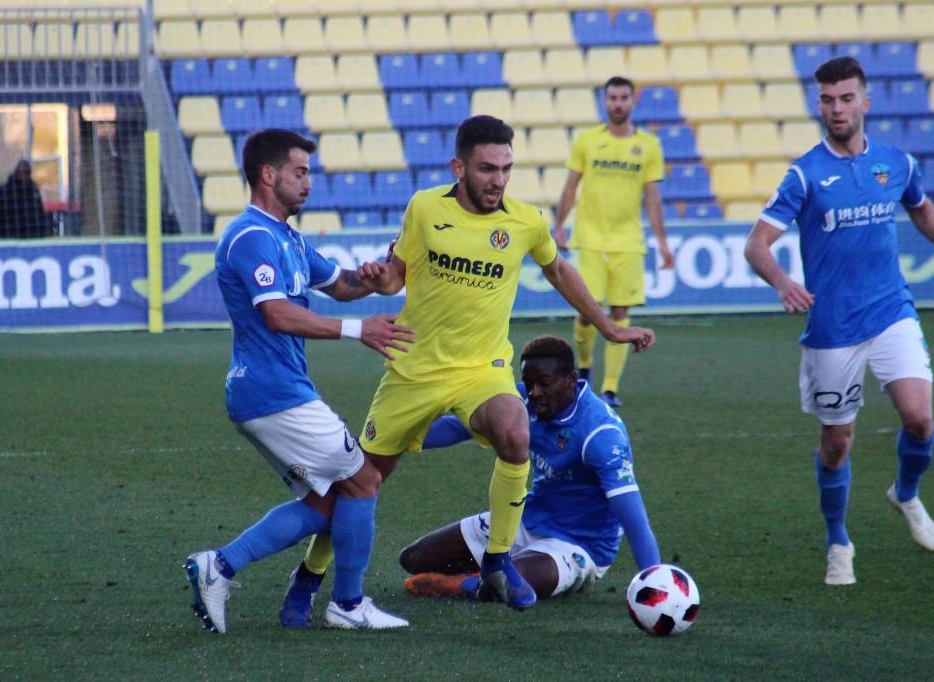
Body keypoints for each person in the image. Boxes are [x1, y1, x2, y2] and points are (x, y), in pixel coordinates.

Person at [279, 115, 655, 623]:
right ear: (459, 168)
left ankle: (498, 559)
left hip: (483, 368)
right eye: (486, 169)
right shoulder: (425, 208)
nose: (498, 180)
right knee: (360, 481)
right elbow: (395, 278)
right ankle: (309, 574)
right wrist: (377, 275)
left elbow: (559, 269)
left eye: (506, 168)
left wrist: (608, 327)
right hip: (414, 368)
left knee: (515, 431)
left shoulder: (525, 222)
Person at [743, 57, 934, 586]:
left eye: (846, 98)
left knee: (920, 420)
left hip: (891, 310)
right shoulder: (804, 174)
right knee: (837, 442)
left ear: (864, 102)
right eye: (827, 100)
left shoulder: (896, 162)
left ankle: (906, 494)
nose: (837, 109)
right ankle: (838, 541)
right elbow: (756, 244)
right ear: (819, 105)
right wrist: (782, 282)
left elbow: (920, 208)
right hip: (833, 329)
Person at [183, 128, 414, 633]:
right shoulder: (250, 236)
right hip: (273, 393)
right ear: (269, 175)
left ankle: (219, 566)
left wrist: (378, 274)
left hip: (274, 392)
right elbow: (278, 315)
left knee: (329, 500)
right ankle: (347, 604)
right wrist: (359, 330)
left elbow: (342, 285)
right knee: (364, 480)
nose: (309, 183)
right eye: (300, 172)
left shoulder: (288, 238)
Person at [399, 335, 661, 602]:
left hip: (578, 544)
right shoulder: (523, 400)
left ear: (571, 380)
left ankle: (461, 585)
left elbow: (635, 521)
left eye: (544, 383)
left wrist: (656, 582)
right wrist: (392, 440)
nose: (534, 392)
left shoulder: (600, 434)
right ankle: (493, 571)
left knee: (511, 584)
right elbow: (456, 427)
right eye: (528, 382)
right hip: (526, 520)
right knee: (413, 559)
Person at [552, 76, 673, 408]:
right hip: (590, 239)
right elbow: (570, 186)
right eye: (613, 98)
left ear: (633, 101)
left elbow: (652, 197)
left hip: (628, 242)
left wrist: (662, 241)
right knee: (587, 310)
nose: (618, 103)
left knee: (620, 311)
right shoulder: (587, 141)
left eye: (623, 98)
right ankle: (584, 367)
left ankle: (609, 388)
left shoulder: (649, 145)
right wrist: (559, 225)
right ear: (605, 102)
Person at [0, 160, 54, 239]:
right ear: (16, 172)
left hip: (31, 236)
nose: (23, 175)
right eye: (21, 172)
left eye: (26, 172)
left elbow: (39, 214)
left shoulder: (34, 192)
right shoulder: (3, 192)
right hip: (7, 237)